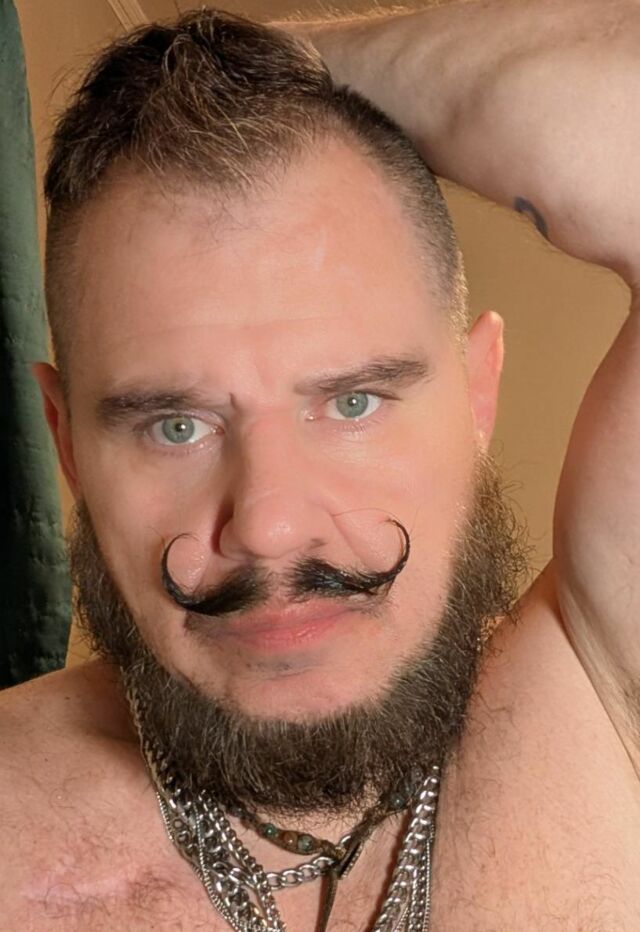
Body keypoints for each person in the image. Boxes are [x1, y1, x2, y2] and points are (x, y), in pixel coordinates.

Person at [2, 0, 640, 928]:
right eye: (175, 426)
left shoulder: (607, 696)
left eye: (352, 404)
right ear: (65, 441)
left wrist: (282, 69)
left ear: (477, 393)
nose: (270, 525)